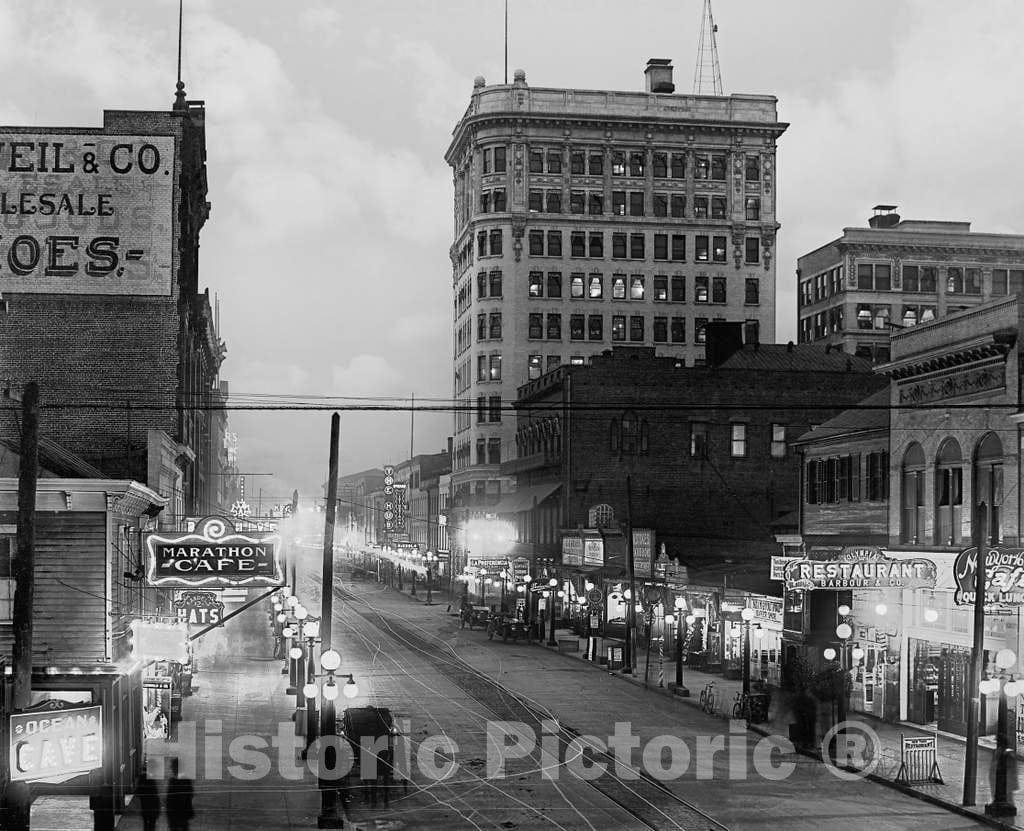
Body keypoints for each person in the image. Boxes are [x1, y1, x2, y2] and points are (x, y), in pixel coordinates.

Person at [166, 757, 195, 831]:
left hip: (175, 815)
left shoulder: (172, 782)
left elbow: (169, 800)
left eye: (172, 767)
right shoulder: (187, 781)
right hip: (183, 814)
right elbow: (190, 796)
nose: (171, 769)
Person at [136, 764, 160, 831]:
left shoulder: (142, 778)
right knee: (151, 825)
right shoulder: (151, 779)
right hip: (152, 808)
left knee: (146, 825)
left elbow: (137, 791)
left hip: (145, 807)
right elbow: (155, 795)